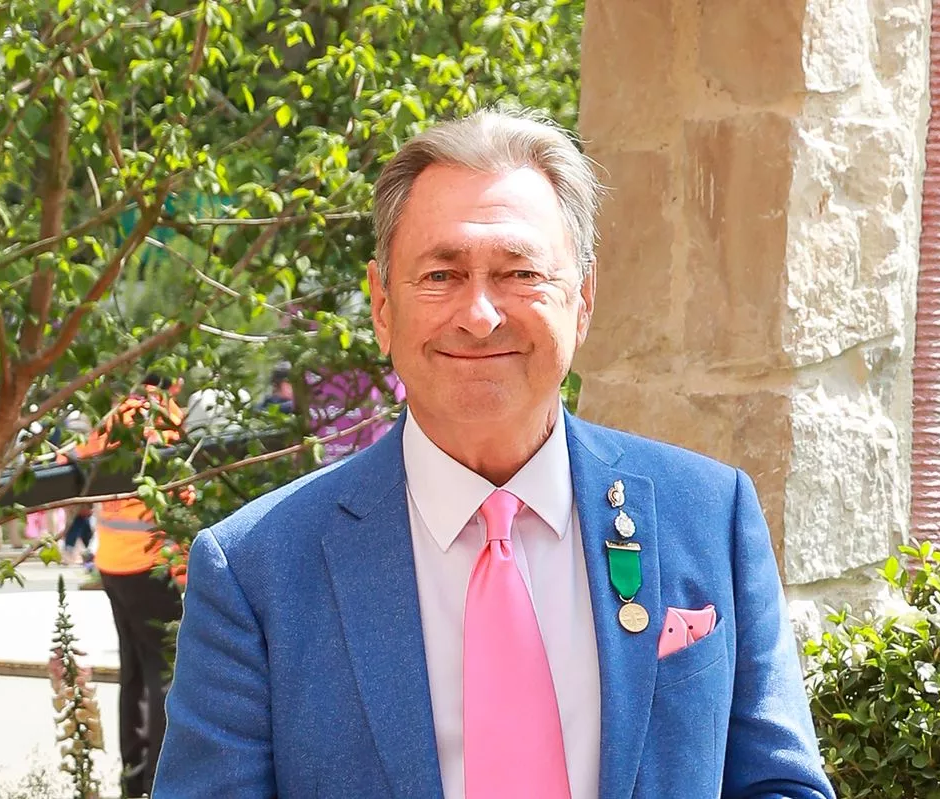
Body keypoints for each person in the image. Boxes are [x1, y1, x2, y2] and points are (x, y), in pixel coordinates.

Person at [155, 110, 835, 799]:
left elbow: (780, 784)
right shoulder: (256, 571)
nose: (480, 314)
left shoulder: (710, 516)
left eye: (519, 272)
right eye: (441, 274)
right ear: (382, 305)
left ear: (584, 299)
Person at [76, 373, 187, 798]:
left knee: (135, 673)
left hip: (112, 565)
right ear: (172, 385)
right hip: (150, 565)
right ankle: (159, 780)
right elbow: (181, 494)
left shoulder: (114, 417)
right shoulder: (165, 419)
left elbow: (78, 463)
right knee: (164, 674)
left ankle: (133, 779)